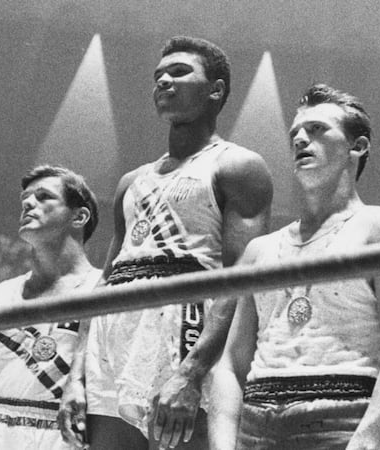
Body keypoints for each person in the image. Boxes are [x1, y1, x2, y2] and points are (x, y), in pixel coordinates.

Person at [59, 36, 274, 450]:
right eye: (159, 76)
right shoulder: (130, 182)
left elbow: (242, 279)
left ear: (216, 90)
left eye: (179, 73)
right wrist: (76, 376)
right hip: (113, 336)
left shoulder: (238, 166)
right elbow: (104, 282)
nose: (164, 82)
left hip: (185, 330)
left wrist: (192, 372)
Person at [209, 84, 380, 449]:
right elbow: (231, 365)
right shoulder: (259, 250)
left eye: (316, 129)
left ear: (356, 147)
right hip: (255, 424)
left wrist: (365, 444)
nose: (299, 139)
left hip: (340, 421)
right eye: (295, 132)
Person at [0, 166, 101, 450]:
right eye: (25, 197)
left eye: (43, 196)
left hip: (64, 438)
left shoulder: (105, 290)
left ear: (79, 216)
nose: (28, 203)